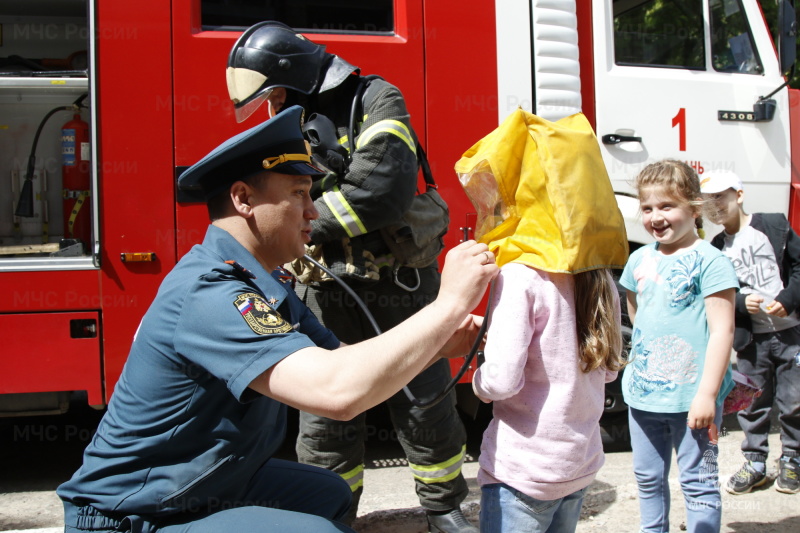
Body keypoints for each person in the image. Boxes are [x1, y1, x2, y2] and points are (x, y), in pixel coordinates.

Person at [56, 106, 498, 533]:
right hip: (136, 513)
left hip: (203, 483)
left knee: (326, 495)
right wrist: (446, 306)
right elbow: (337, 391)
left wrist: (442, 340)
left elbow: (340, 360)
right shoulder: (212, 293)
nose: (313, 211)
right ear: (244, 199)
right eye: (299, 194)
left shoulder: (263, 283)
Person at [226, 21, 477, 531]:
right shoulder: (287, 118)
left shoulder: (376, 97)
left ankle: (444, 509)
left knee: (424, 404)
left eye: (274, 90)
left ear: (291, 74)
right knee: (324, 419)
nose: (271, 102)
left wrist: (305, 220)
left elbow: (384, 185)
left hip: (402, 289)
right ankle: (331, 516)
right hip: (325, 292)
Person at [459, 109, 629, 533]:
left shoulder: (519, 275)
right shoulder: (600, 273)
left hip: (523, 472)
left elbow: (499, 383)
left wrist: (479, 369)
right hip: (579, 466)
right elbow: (607, 371)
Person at [620, 160, 738, 532]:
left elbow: (723, 331)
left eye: (667, 206)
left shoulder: (711, 261)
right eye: (648, 207)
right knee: (648, 480)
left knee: (699, 484)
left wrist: (706, 394)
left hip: (693, 401)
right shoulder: (638, 259)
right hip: (643, 397)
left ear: (694, 208)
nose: (656, 216)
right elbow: (637, 314)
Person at [700, 169, 800, 495]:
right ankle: (755, 462)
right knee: (752, 403)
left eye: (721, 197)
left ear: (739, 195)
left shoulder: (773, 225)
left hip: (791, 333)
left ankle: (792, 460)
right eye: (708, 200)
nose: (715, 205)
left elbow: (799, 266)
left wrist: (788, 299)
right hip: (752, 341)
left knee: (794, 401)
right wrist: (743, 302)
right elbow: (718, 294)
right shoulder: (715, 247)